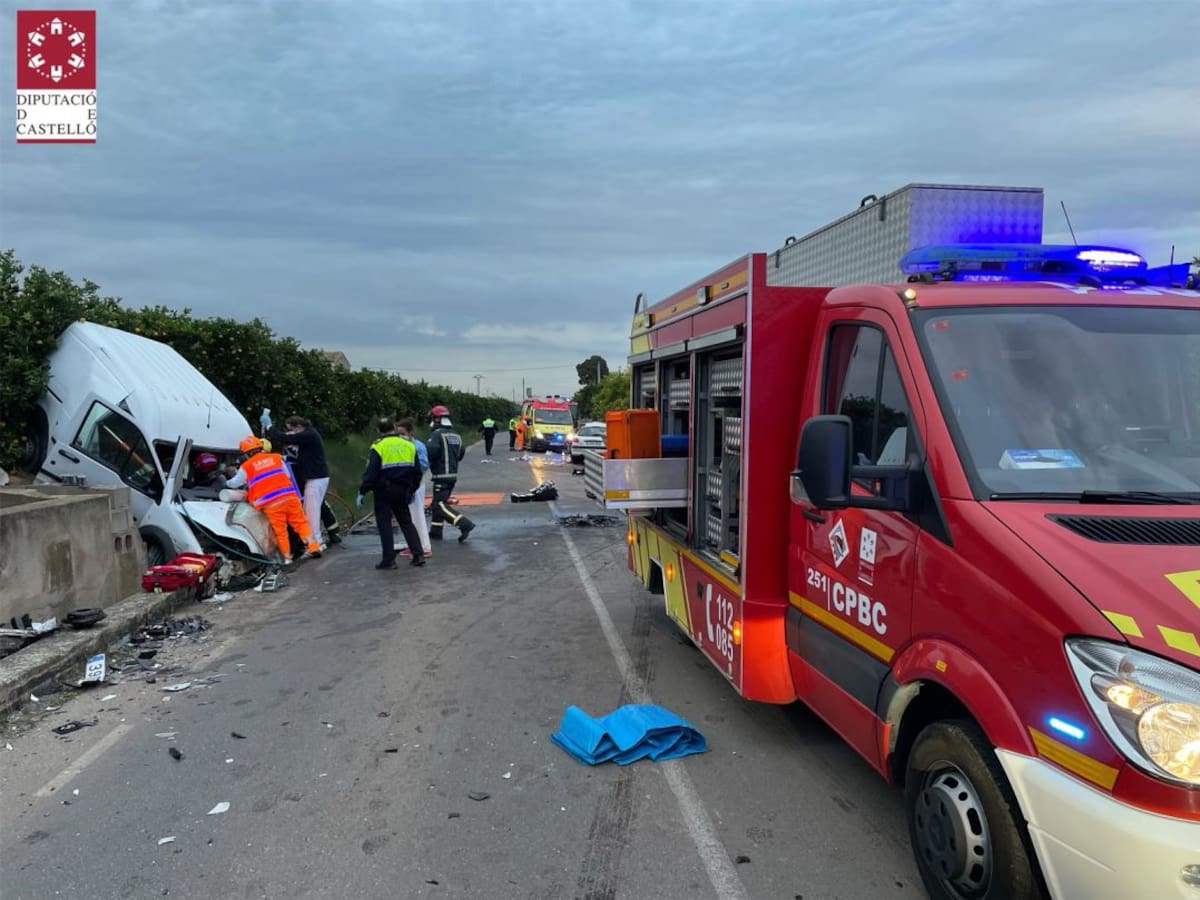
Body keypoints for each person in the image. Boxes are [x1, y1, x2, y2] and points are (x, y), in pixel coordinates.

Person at [226, 435, 321, 565]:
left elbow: (234, 484)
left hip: (271, 503)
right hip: (289, 496)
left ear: (246, 454)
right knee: (301, 523)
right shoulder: (276, 458)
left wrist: (226, 481)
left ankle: (287, 558)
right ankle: (313, 547)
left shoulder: (247, 466)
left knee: (280, 531)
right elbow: (287, 475)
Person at [357, 417, 425, 569]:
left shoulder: (378, 446)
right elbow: (417, 471)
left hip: (384, 491)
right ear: (393, 428)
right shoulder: (408, 445)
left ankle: (389, 560)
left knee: (385, 525)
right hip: (403, 490)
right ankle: (418, 555)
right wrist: (412, 489)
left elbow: (372, 472)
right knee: (406, 522)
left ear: (379, 430)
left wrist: (363, 490)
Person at [268, 416, 336, 548]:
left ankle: (316, 544)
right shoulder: (310, 435)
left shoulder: (308, 435)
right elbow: (302, 457)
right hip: (317, 477)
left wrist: (269, 427)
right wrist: (284, 457)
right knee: (310, 511)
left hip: (315, 479)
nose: (291, 433)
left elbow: (286, 439)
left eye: (291, 429)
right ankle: (316, 542)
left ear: (298, 426)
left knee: (311, 514)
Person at [426, 404, 476, 542]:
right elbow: (461, 454)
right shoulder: (456, 435)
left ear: (437, 420)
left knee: (438, 505)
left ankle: (464, 524)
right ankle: (435, 531)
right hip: (452, 475)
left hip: (441, 475)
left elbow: (431, 452)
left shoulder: (436, 435)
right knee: (439, 503)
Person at [395, 417, 433, 559]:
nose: (400, 436)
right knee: (409, 517)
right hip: (406, 485)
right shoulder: (402, 446)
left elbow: (423, 465)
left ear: (410, 432)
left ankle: (424, 547)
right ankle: (414, 545)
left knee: (417, 516)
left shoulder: (418, 446)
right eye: (398, 433)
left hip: (415, 484)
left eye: (402, 433)